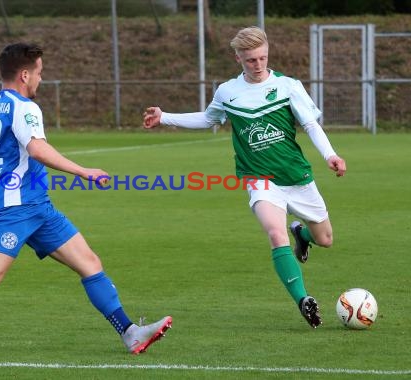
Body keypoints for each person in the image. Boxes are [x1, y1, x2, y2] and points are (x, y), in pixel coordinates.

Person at [0, 43, 172, 358]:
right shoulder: (24, 107)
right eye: (39, 73)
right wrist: (83, 171)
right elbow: (37, 149)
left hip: (39, 208)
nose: (40, 79)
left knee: (90, 264)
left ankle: (130, 333)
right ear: (24, 74)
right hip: (14, 209)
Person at [142, 26, 346, 328]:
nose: (259, 65)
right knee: (275, 235)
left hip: (296, 175)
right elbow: (208, 119)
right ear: (238, 57)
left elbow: (311, 125)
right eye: (251, 60)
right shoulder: (228, 92)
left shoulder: (289, 86)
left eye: (263, 57)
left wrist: (330, 155)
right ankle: (303, 299)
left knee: (325, 239)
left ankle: (301, 235)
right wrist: (165, 116)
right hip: (260, 179)